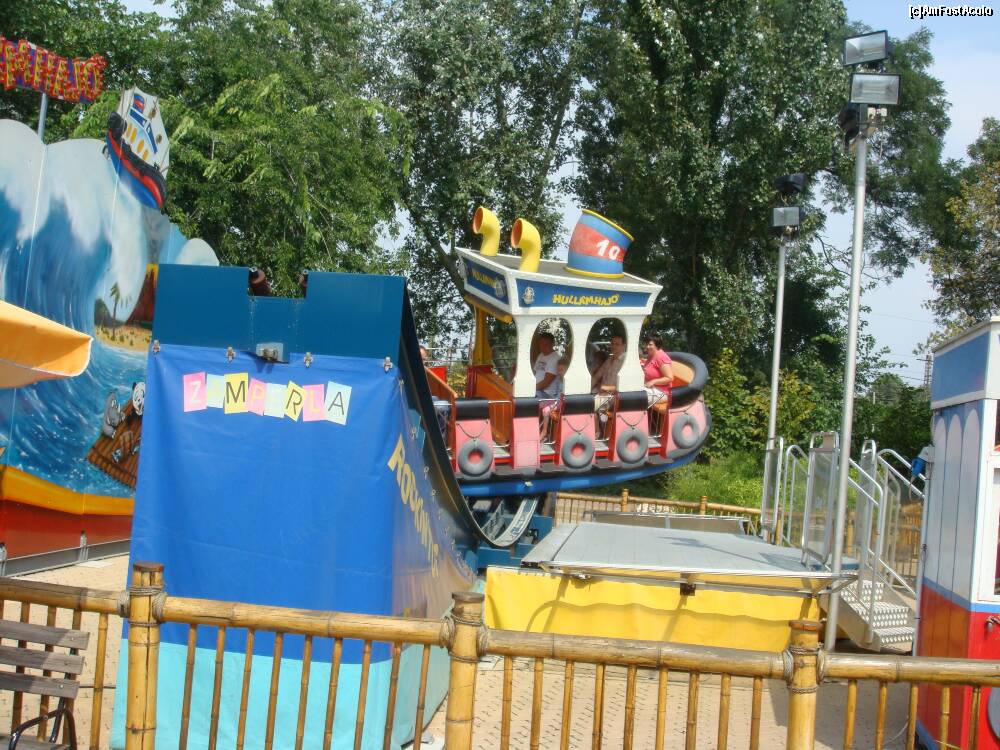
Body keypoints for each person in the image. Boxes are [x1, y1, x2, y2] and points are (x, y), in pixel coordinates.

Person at [641, 334, 673, 412]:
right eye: (646, 344)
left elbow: (669, 378)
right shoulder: (650, 355)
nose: (647, 346)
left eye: (650, 344)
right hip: (652, 389)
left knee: (636, 398)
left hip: (663, 392)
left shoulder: (661, 357)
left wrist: (653, 381)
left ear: (657, 345)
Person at [533, 332, 560, 398]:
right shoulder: (540, 355)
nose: (543, 346)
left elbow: (546, 383)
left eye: (546, 344)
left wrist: (531, 389)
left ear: (552, 344)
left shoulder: (555, 358)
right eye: (541, 344)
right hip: (537, 390)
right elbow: (535, 373)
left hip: (546, 393)